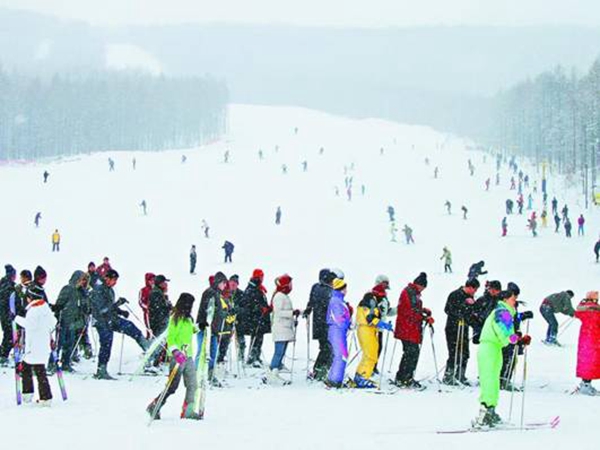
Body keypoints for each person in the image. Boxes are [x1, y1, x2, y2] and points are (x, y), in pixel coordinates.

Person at [474, 283, 530, 427]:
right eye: (513, 298)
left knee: (493, 381)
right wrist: (518, 340)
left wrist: (517, 338)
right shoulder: (502, 312)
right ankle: (485, 413)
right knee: (489, 380)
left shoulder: (504, 312)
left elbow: (508, 334)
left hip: (494, 348)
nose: (515, 301)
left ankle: (490, 411)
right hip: (489, 348)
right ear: (505, 299)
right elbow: (505, 335)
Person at [146, 293, 202, 420]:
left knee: (192, 384)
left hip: (188, 356)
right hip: (177, 358)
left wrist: (198, 327)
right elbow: (171, 338)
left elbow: (189, 331)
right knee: (172, 387)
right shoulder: (175, 318)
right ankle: (155, 406)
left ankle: (188, 411)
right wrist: (175, 351)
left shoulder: (188, 319)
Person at [90, 269, 149, 379]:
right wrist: (117, 304)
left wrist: (121, 311)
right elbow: (102, 310)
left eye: (116, 280)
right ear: (107, 278)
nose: (115, 283)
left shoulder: (110, 290)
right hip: (101, 321)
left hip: (111, 319)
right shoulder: (98, 290)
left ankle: (147, 346)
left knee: (130, 326)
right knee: (106, 343)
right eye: (114, 280)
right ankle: (101, 370)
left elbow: (110, 307)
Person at [14, 285, 56, 406]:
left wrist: (16, 318)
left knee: (28, 369)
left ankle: (30, 394)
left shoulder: (34, 310)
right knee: (39, 371)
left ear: (31, 297)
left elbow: (29, 325)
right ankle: (44, 396)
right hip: (43, 346)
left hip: (33, 347)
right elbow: (53, 323)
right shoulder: (45, 308)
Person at [393, 273, 432, 388]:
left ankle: (403, 377)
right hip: (407, 328)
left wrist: (423, 310)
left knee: (410, 353)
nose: (423, 290)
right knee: (411, 353)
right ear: (419, 285)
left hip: (408, 328)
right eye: (423, 287)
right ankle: (405, 378)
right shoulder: (410, 293)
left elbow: (413, 309)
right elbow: (409, 311)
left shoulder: (412, 292)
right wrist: (423, 317)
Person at [354, 284, 392, 388]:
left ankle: (360, 375)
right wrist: (381, 324)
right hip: (366, 329)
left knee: (369, 354)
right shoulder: (370, 300)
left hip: (369, 330)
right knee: (371, 355)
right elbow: (370, 317)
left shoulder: (371, 300)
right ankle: (363, 377)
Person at [443, 278, 480, 385]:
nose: (475, 292)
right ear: (470, 287)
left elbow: (471, 313)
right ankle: (448, 376)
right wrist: (462, 309)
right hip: (453, 327)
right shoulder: (455, 294)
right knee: (454, 352)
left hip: (464, 328)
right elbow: (447, 309)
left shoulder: (470, 297)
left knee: (465, 353)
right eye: (474, 290)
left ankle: (460, 375)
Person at [53, 270, 90, 371]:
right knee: (59, 343)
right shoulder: (68, 289)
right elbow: (59, 303)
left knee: (70, 343)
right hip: (64, 320)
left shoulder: (81, 292)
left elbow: (84, 306)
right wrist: (58, 314)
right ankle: (52, 363)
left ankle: (66, 362)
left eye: (84, 280)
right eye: (81, 279)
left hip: (74, 322)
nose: (83, 282)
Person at [266, 274, 299, 385]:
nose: (291, 286)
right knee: (278, 352)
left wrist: (296, 314)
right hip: (280, 328)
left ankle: (276, 369)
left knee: (282, 351)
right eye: (290, 284)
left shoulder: (284, 295)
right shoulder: (279, 296)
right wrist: (291, 313)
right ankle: (272, 372)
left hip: (285, 328)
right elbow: (279, 312)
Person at [303, 269, 335, 381]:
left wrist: (308, 310)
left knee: (325, 348)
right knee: (328, 349)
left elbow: (311, 302)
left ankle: (319, 370)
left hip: (318, 323)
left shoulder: (316, 287)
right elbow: (331, 307)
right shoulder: (329, 291)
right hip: (326, 324)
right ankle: (320, 371)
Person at [325, 279, 352, 388]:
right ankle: (335, 380)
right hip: (337, 331)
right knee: (341, 356)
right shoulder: (336, 301)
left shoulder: (338, 300)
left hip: (338, 331)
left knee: (340, 355)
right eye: (345, 288)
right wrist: (348, 324)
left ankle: (333, 378)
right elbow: (339, 319)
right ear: (341, 289)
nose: (346, 291)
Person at [242, 269, 271, 367]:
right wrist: (259, 308)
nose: (262, 278)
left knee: (259, 338)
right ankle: (252, 358)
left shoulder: (257, 287)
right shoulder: (252, 288)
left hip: (259, 318)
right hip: (255, 318)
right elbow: (248, 303)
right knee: (256, 338)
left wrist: (266, 308)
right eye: (261, 276)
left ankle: (256, 356)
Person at [574, 291, 600, 395]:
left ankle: (585, 383)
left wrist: (583, 303)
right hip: (595, 337)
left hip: (585, 336)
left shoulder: (583, 309)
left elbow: (577, 313)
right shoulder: (597, 310)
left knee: (585, 360)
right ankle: (586, 386)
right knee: (592, 362)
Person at [148, 275, 172, 367]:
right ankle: (151, 363)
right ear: (160, 284)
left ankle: (156, 362)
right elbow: (158, 309)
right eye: (164, 282)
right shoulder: (156, 293)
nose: (166, 285)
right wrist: (167, 307)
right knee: (157, 343)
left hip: (160, 321)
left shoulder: (160, 293)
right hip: (158, 322)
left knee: (160, 343)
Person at [0, 264, 17, 365]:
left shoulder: (3, 284)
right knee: (9, 335)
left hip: (4, 314)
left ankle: (3, 354)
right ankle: (3, 356)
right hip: (7, 315)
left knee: (8, 334)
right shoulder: (9, 286)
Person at [138, 273, 155, 338]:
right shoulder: (143, 290)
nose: (152, 282)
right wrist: (147, 307)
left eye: (154, 280)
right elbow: (140, 302)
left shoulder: (157, 290)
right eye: (151, 280)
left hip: (157, 313)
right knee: (149, 328)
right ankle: (149, 339)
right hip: (148, 313)